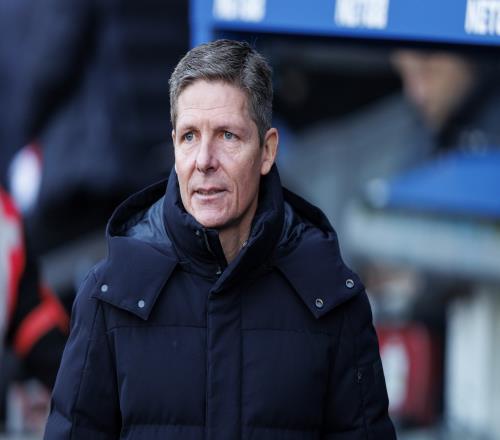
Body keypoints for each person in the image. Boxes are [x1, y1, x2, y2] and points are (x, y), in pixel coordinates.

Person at [44, 39, 395, 440]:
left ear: (267, 151)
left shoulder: (331, 296)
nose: (204, 160)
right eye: (189, 137)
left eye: (227, 136)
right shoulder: (109, 294)